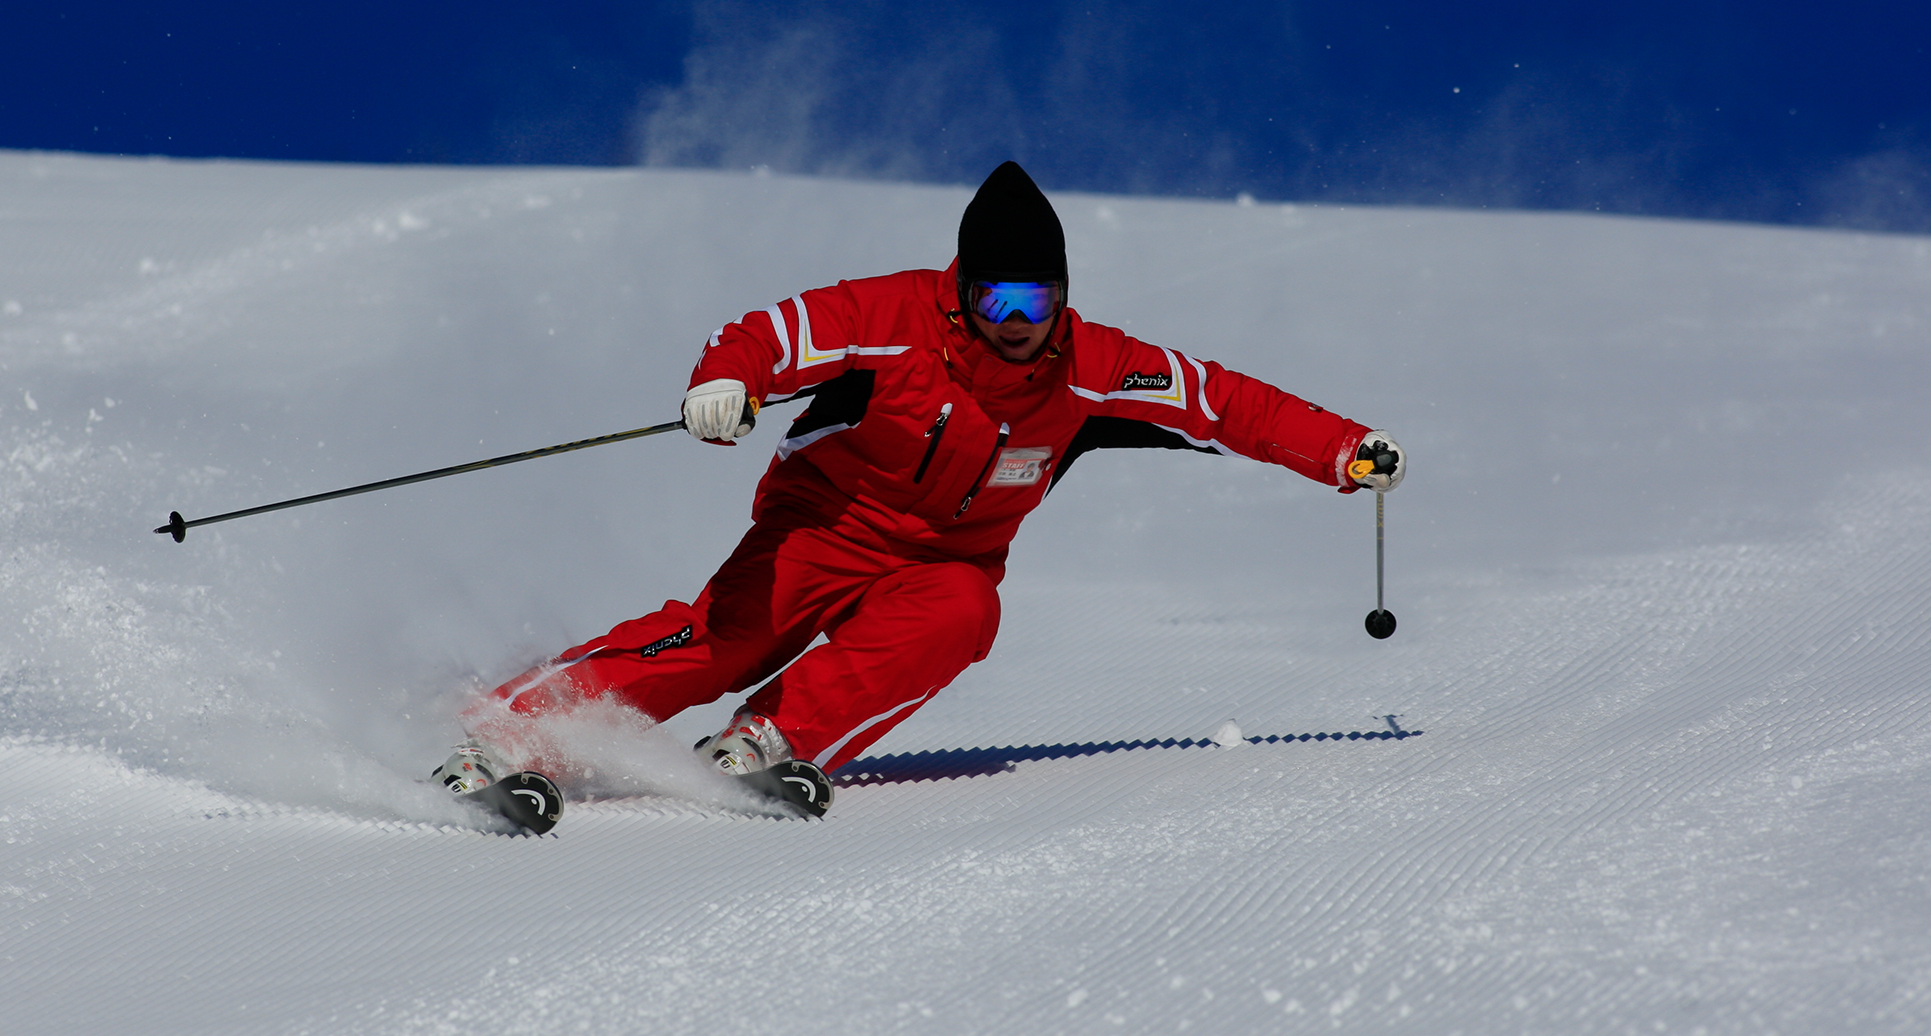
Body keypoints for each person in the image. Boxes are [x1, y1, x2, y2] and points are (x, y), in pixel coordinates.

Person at [436, 161, 1404, 805]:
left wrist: (1342, 451)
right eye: (997, 297)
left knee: (962, 610)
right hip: (824, 525)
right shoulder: (892, 316)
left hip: (942, 560)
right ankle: (505, 729)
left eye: (1039, 299)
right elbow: (772, 335)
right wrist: (726, 385)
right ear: (962, 287)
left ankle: (766, 743)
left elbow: (1225, 404)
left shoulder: (1094, 367)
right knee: (723, 640)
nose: (1018, 319)